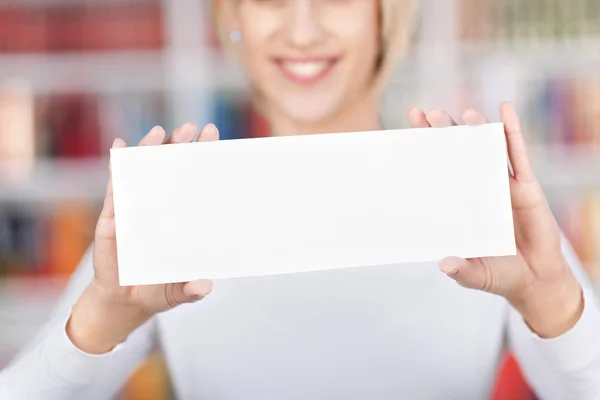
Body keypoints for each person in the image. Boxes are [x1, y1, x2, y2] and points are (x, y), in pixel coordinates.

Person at [1, 0, 599, 399]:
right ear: (232, 16)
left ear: (382, 17)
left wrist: (552, 304)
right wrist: (98, 327)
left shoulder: (476, 196)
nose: (303, 28)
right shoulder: (174, 204)